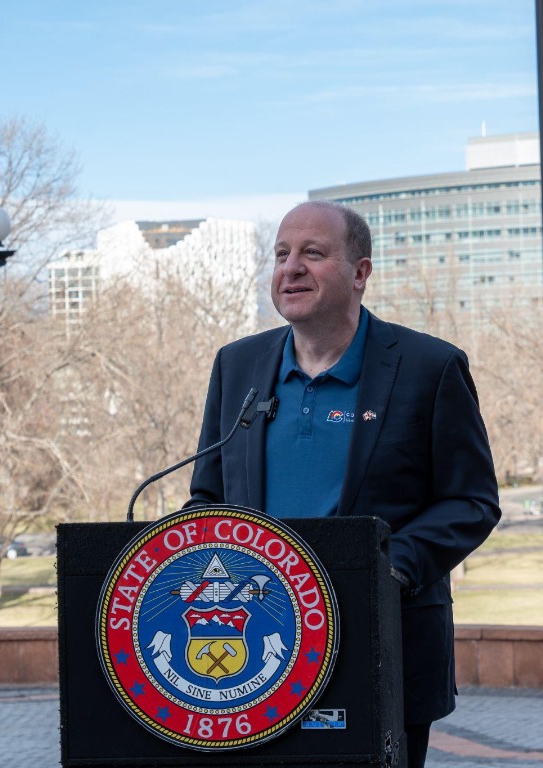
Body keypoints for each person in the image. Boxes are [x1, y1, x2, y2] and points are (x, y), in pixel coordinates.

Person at [188, 201, 502, 768]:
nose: (291, 268)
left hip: (385, 647)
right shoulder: (235, 366)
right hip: (256, 656)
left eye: (313, 253)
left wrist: (388, 567)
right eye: (282, 254)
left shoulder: (429, 367)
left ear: (361, 273)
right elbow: (207, 499)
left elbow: (473, 501)